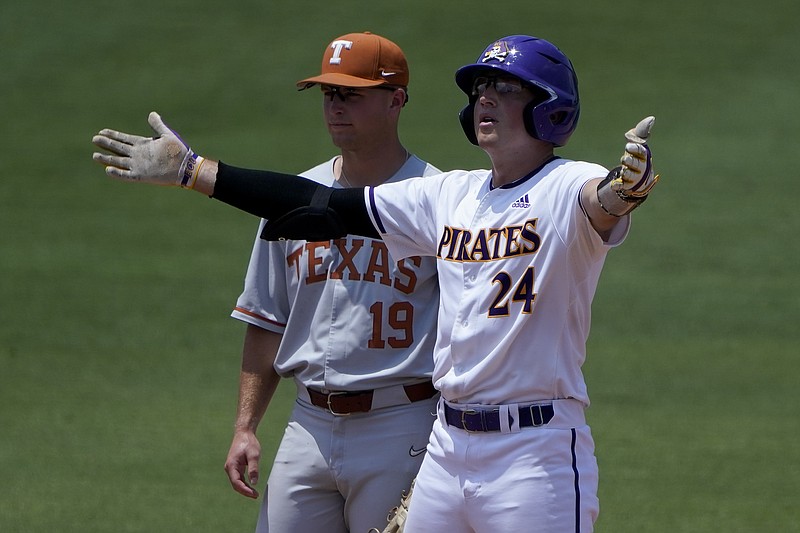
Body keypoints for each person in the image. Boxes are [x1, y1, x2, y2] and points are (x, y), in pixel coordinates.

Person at [93, 34, 659, 533]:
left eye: (506, 89)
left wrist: (623, 191)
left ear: (549, 110)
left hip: (533, 452)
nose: (485, 98)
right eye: (481, 87)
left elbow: (602, 201)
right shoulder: (448, 196)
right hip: (447, 448)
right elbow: (322, 205)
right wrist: (194, 171)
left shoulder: (568, 183)